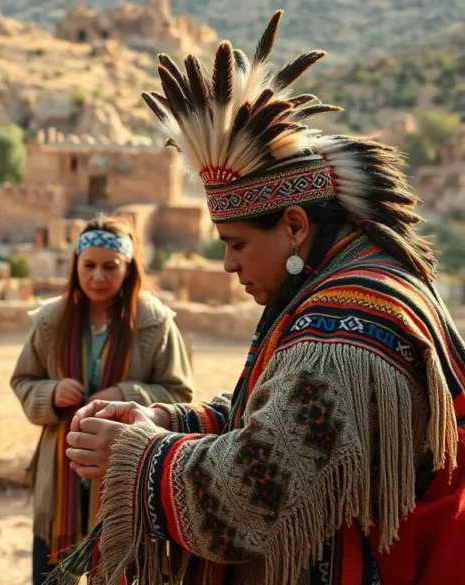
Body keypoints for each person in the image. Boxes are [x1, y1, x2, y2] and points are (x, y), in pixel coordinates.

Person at [54, 10, 465, 585]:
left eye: (239, 243)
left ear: (294, 226)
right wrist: (169, 417)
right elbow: (286, 417)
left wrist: (142, 452)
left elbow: (255, 497)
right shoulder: (349, 292)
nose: (229, 263)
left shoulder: (345, 331)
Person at [10, 215, 194, 585]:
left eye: (110, 267)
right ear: (75, 265)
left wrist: (126, 395)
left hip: (124, 472)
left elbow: (179, 394)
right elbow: (23, 380)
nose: (98, 276)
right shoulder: (50, 319)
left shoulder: (154, 322)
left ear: (129, 268)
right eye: (89, 265)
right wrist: (51, 392)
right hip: (59, 472)